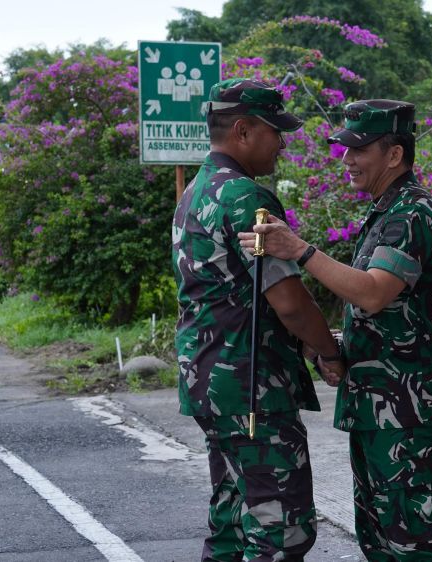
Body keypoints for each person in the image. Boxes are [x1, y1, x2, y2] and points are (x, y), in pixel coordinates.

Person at [239, 100, 432, 560]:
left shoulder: (412, 214)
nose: (347, 161)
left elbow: (373, 293)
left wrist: (299, 250)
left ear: (395, 155)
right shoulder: (386, 212)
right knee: (381, 541)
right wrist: (334, 347)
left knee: (419, 544)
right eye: (344, 150)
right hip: (381, 409)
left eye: (358, 150)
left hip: (410, 414)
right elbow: (392, 315)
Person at [172, 78, 345, 561]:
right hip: (252, 389)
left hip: (209, 380)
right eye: (276, 130)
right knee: (281, 530)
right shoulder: (248, 197)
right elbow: (287, 300)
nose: (283, 142)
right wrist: (327, 351)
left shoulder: (196, 192)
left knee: (230, 523)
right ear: (244, 131)